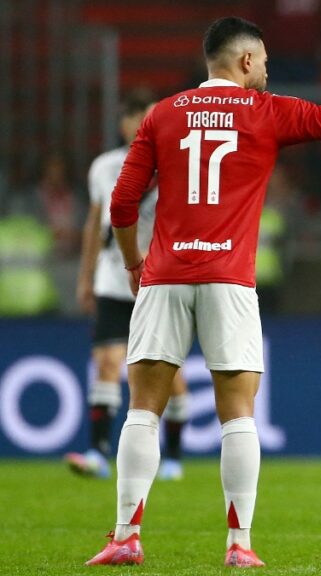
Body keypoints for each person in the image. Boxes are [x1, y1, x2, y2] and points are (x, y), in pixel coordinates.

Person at [84, 13, 321, 567]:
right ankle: (239, 545)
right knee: (238, 414)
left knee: (142, 410)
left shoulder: (163, 114)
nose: (266, 68)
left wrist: (132, 265)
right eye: (263, 60)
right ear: (246, 61)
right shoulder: (268, 112)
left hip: (164, 276)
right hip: (229, 280)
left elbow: (122, 204)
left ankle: (125, 536)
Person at [67, 91, 190, 482]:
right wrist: (85, 277)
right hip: (112, 276)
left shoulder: (178, 162)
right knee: (106, 362)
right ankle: (98, 453)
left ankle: (172, 457)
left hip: (159, 279)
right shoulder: (104, 167)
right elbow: (93, 224)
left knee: (171, 375)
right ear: (126, 123)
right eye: (141, 117)